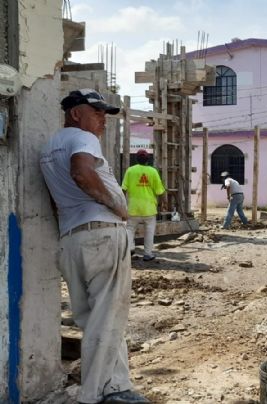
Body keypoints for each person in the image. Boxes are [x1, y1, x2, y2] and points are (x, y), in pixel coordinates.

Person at [40, 89, 149, 404]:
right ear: (76, 113)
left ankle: (116, 387)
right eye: (97, 111)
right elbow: (81, 171)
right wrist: (116, 204)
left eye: (105, 113)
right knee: (109, 316)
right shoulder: (82, 138)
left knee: (94, 318)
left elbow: (55, 197)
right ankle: (91, 396)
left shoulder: (49, 147)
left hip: (72, 239)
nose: (102, 119)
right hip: (102, 234)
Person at [122, 149, 165, 261]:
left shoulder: (130, 171)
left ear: (136, 159)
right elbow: (160, 192)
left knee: (130, 229)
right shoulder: (153, 171)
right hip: (149, 208)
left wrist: (122, 204)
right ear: (148, 160)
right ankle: (147, 254)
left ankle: (130, 249)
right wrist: (162, 204)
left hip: (133, 207)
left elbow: (123, 189)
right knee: (149, 232)